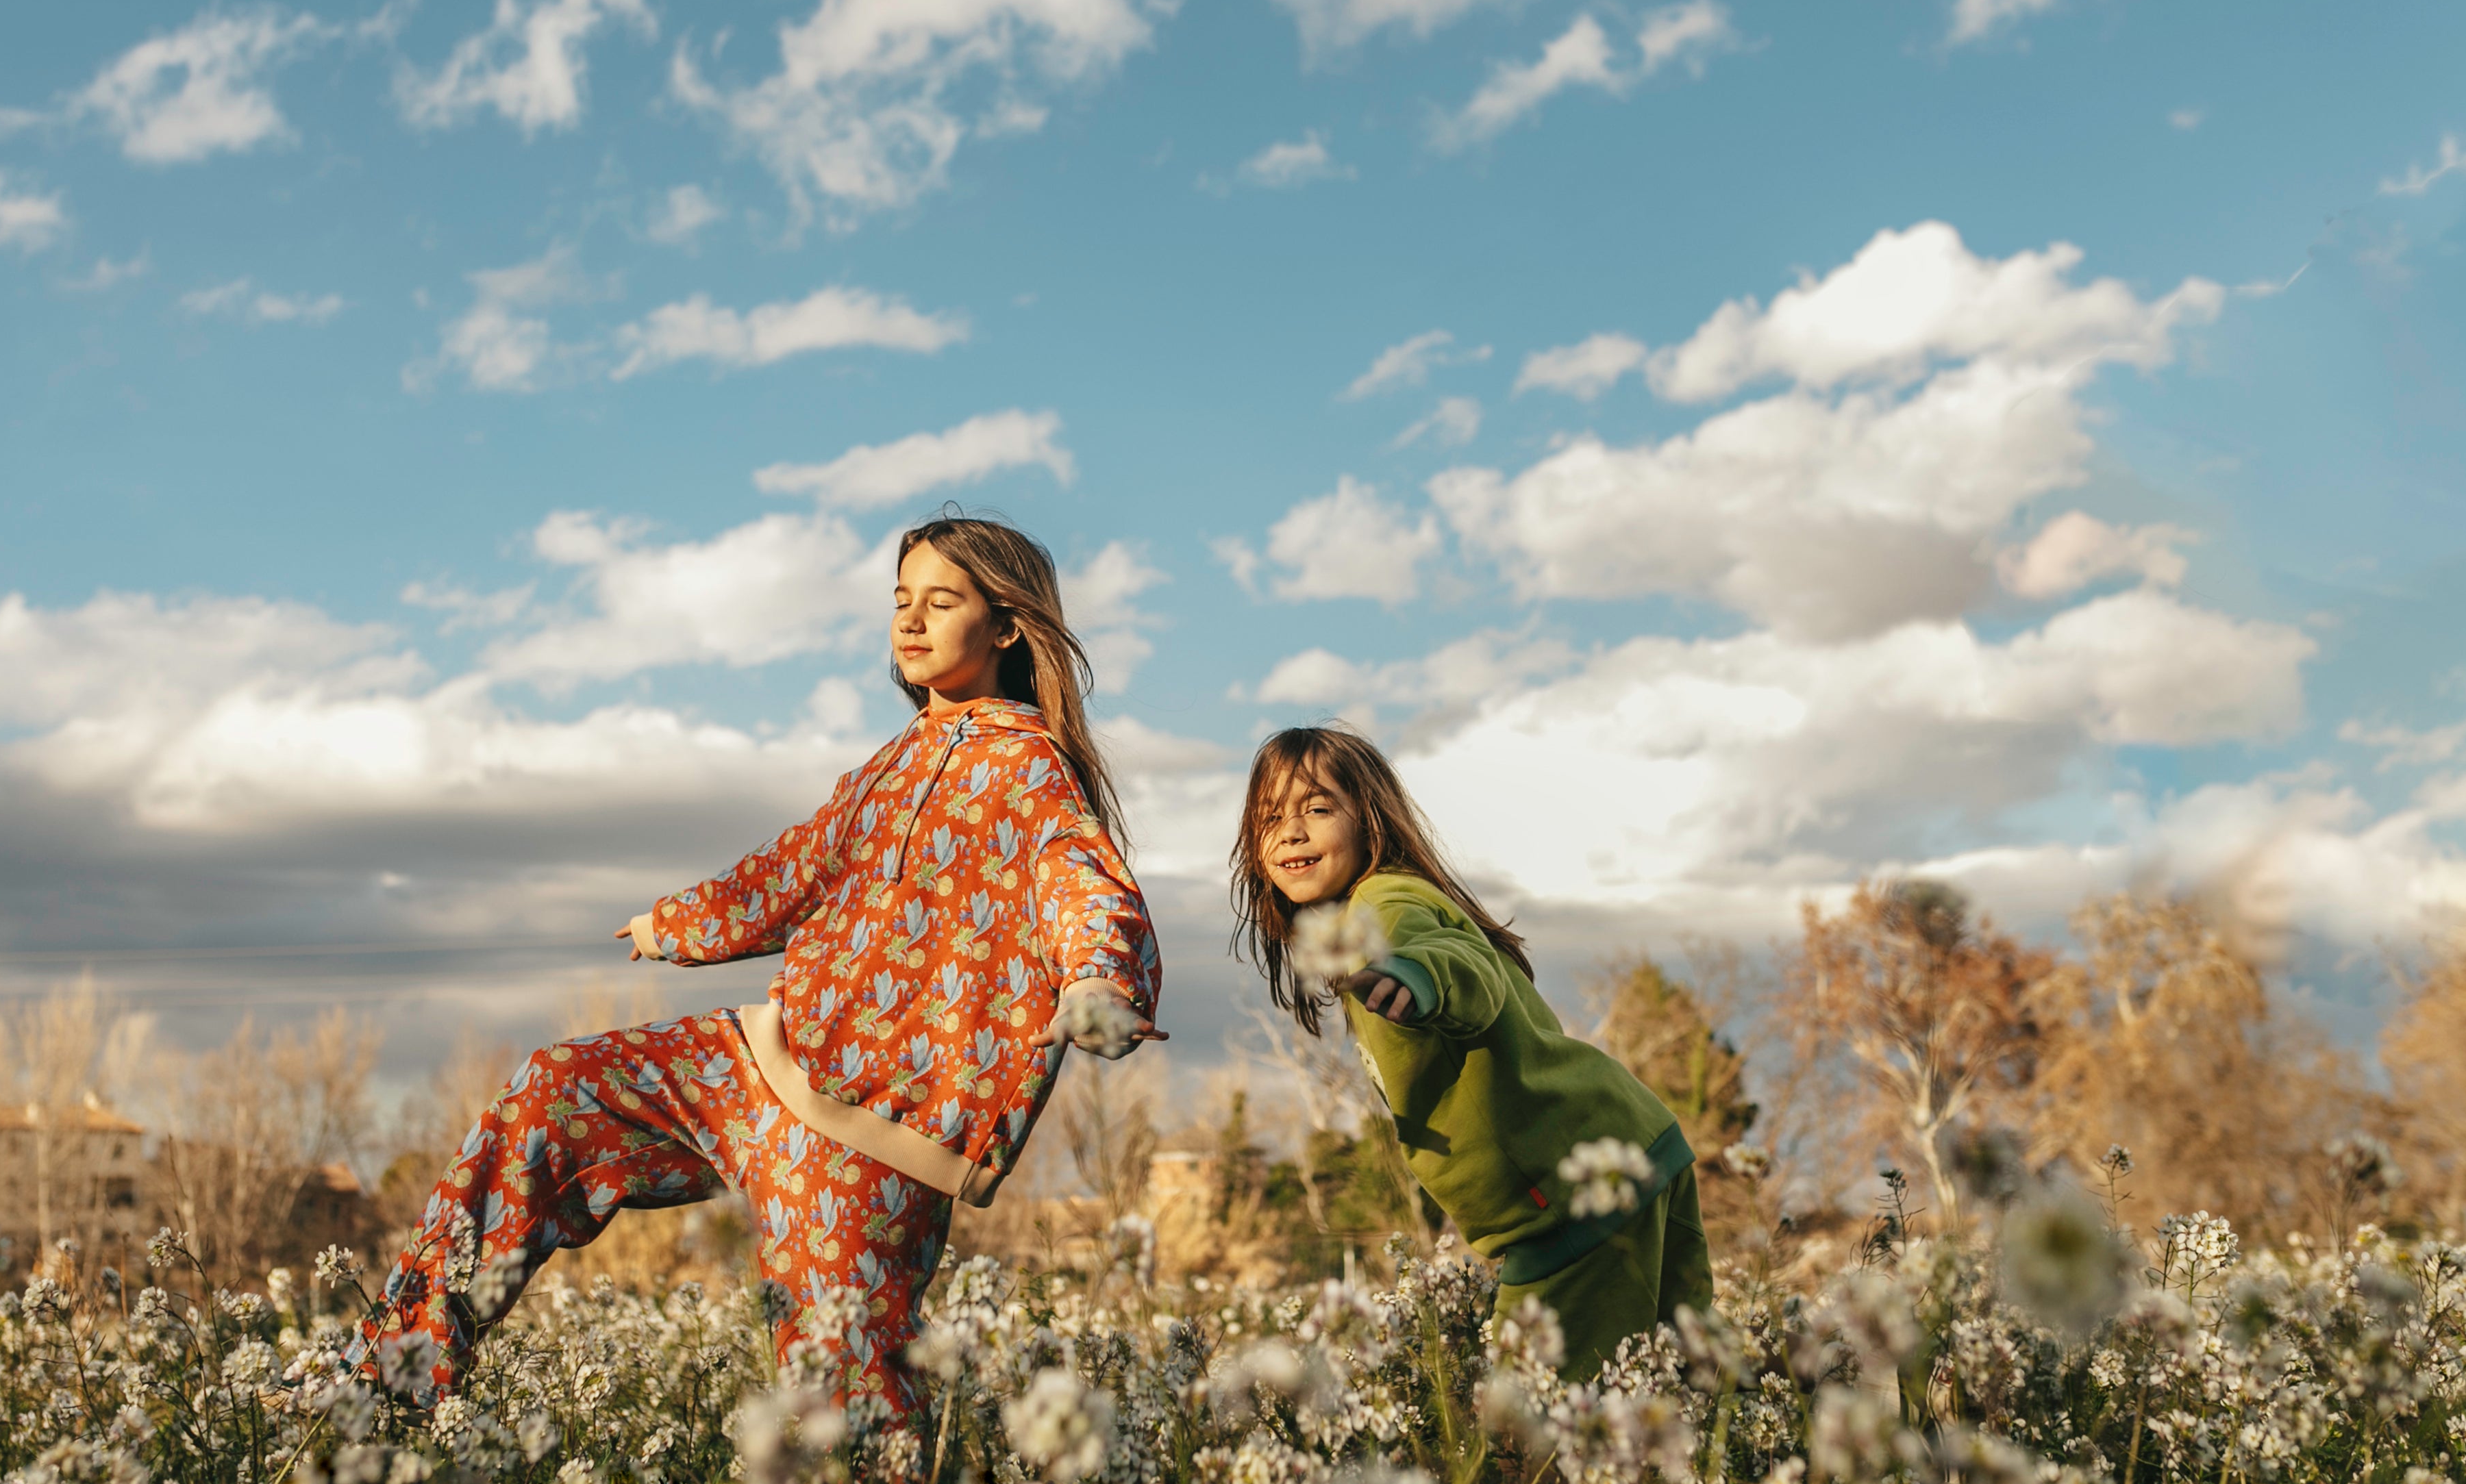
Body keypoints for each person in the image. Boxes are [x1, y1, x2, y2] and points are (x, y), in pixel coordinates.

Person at [354, 515, 1162, 1416]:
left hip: (868, 1135)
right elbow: (794, 871)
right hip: (757, 1065)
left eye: (941, 602)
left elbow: (1077, 874)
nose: (910, 621)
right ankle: (388, 1382)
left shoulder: (1028, 766)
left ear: (1007, 626)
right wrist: (680, 923)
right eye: (900, 602)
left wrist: (1099, 981)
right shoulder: (887, 766)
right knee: (554, 1090)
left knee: (845, 1401)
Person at [1230, 724, 1713, 1382]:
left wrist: (1414, 976)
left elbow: (1464, 972)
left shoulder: (1387, 904)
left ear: (1371, 821)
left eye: (1316, 809)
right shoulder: (1370, 918)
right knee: (1693, 1383)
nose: (1290, 832)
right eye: (1269, 818)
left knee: (1531, 1430)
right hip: (1631, 1143)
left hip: (1574, 1199)